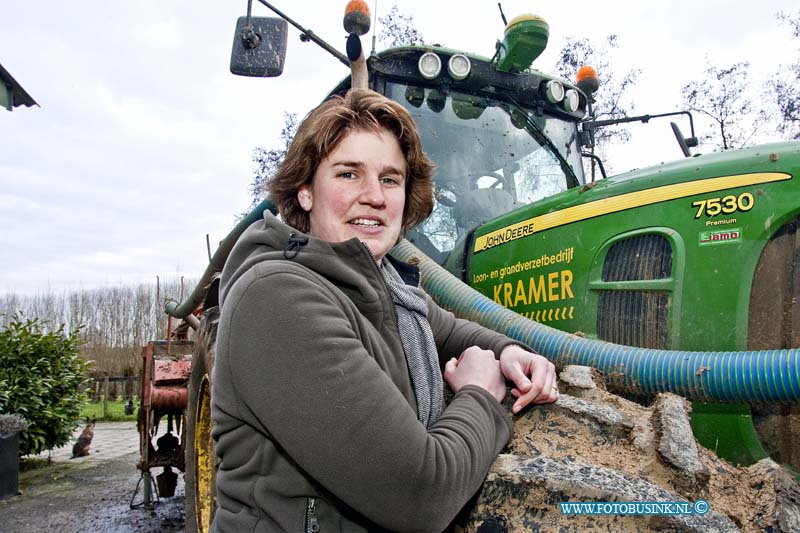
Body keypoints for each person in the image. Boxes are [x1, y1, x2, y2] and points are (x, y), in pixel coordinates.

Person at [211, 88, 558, 532]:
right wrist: (479, 394)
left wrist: (510, 351)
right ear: (304, 192)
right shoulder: (276, 300)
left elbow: (450, 329)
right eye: (349, 174)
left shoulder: (388, 287)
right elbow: (421, 495)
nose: (374, 195)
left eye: (390, 179)